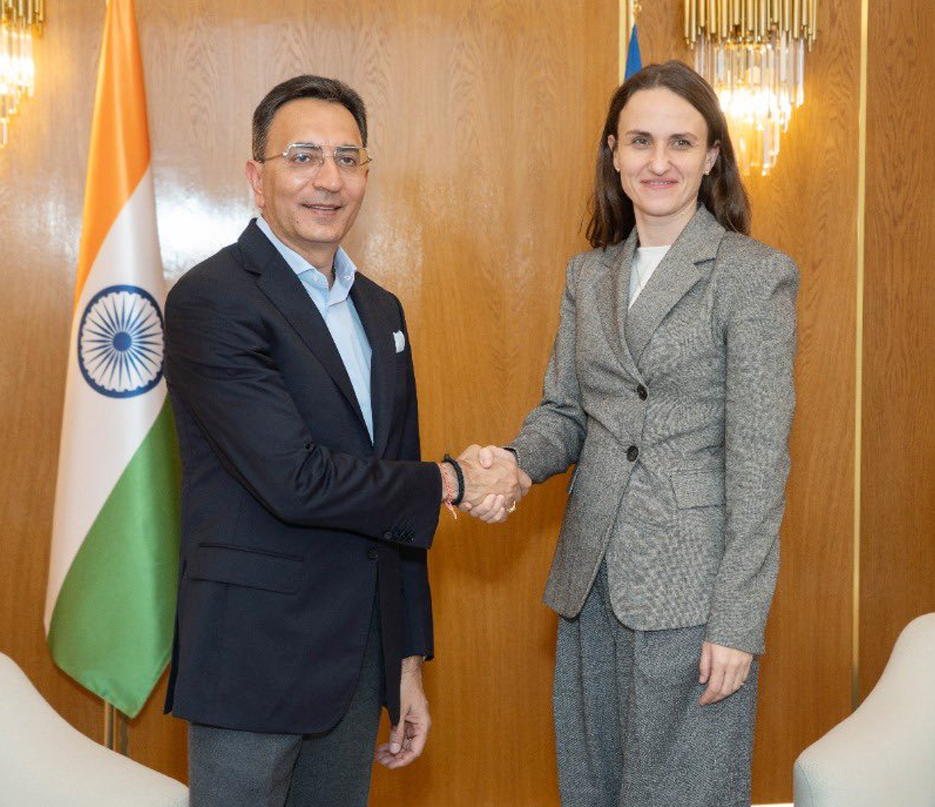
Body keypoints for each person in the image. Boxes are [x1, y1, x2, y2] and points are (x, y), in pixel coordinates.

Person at [162, 74, 525, 807]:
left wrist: (407, 661)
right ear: (256, 177)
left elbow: (394, 505)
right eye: (302, 157)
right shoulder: (213, 299)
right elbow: (294, 479)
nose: (328, 179)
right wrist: (454, 480)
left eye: (347, 158)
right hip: (253, 658)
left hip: (357, 663)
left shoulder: (380, 310)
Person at [469, 60, 798, 806]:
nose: (659, 162)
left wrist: (738, 621)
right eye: (641, 141)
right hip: (590, 579)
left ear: (711, 157)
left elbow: (758, 465)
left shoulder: (752, 276)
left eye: (682, 143)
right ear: (613, 153)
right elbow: (566, 414)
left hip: (692, 591)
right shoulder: (589, 277)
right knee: (592, 791)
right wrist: (515, 465)